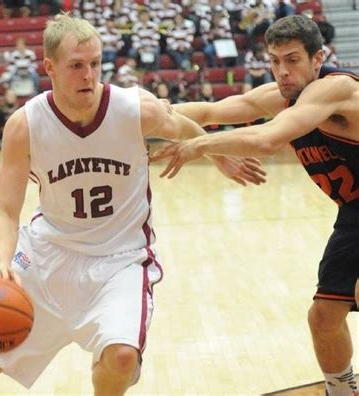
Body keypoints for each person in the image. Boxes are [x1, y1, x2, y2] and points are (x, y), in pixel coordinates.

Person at [0, 13, 266, 396]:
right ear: (49, 67)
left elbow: (183, 125)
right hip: (46, 254)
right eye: (76, 66)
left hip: (119, 258)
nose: (89, 75)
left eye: (96, 64)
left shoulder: (136, 110)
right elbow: (4, 210)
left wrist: (216, 153)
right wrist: (1, 261)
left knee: (121, 357)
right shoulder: (24, 125)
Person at [151, 15, 359, 395]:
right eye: (275, 60)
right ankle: (342, 392)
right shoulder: (285, 95)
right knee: (324, 316)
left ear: (318, 58)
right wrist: (149, 113)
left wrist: (200, 146)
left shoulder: (337, 89)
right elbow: (219, 110)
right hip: (355, 213)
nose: (282, 71)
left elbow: (267, 139)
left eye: (293, 59)